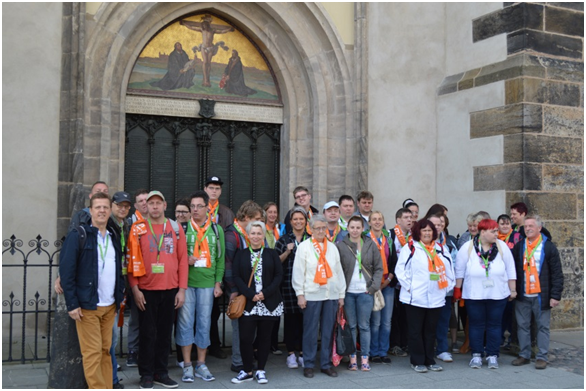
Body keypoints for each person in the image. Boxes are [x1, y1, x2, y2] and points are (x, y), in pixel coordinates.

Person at [59, 192, 124, 389]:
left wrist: (119, 295)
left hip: (109, 305)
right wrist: (72, 304)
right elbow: (67, 272)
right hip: (88, 306)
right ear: (91, 210)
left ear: (110, 210)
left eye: (105, 207)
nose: (102, 211)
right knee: (93, 352)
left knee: (106, 350)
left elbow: (119, 270)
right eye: (98, 207)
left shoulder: (114, 236)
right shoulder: (79, 235)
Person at [127, 191, 188, 389]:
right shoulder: (138, 229)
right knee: (147, 333)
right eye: (151, 203)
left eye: (158, 203)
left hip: (170, 289)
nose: (154, 206)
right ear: (145, 206)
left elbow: (183, 261)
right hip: (146, 289)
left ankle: (161, 372)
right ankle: (145, 373)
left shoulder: (175, 228)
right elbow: (131, 261)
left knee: (164, 333)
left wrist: (182, 290)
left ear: (165, 205)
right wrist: (135, 289)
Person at [454, 219, 517, 370]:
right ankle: (476, 354)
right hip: (474, 294)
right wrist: (457, 289)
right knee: (476, 325)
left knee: (494, 325)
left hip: (497, 294)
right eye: (493, 231)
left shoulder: (502, 247)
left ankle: (492, 355)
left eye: (497, 231)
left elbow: (510, 269)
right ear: (483, 232)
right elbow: (459, 270)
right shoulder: (467, 248)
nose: (497, 233)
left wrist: (512, 289)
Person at [176, 191, 225, 383]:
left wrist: (218, 283)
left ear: (207, 208)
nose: (195, 210)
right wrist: (185, 260)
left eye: (199, 206)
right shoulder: (183, 228)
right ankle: (187, 365)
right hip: (187, 284)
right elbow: (175, 258)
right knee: (186, 323)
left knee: (204, 323)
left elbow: (220, 260)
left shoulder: (216, 229)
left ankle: (201, 364)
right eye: (192, 207)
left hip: (207, 284)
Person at [395, 219, 455, 373]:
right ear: (418, 232)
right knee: (415, 331)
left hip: (436, 298)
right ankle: (417, 361)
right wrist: (410, 288)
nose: (427, 233)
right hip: (415, 298)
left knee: (430, 330)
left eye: (429, 230)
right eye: (424, 230)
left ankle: (430, 359)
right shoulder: (410, 248)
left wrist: (444, 289)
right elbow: (400, 271)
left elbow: (450, 272)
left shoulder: (441, 249)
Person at [292, 215, 346, 379]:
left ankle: (325, 364)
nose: (321, 231)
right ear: (311, 229)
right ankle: (308, 364)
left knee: (328, 330)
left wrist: (341, 295)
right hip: (312, 294)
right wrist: (300, 294)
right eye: (317, 228)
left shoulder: (332, 247)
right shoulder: (304, 247)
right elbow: (298, 272)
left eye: (323, 228)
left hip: (330, 295)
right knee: (310, 331)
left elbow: (338, 272)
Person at [231, 221, 284, 384]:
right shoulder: (241, 254)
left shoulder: (271, 253)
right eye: (253, 233)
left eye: (259, 233)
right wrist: (251, 294)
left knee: (264, 338)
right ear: (248, 235)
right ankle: (247, 370)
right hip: (249, 303)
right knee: (245, 338)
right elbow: (237, 277)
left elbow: (278, 276)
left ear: (263, 235)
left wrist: (264, 294)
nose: (255, 236)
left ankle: (261, 369)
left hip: (269, 303)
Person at [511, 215, 563, 370]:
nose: (527, 229)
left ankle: (541, 357)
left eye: (531, 226)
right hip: (523, 294)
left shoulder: (548, 247)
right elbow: (513, 270)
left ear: (539, 228)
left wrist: (555, 295)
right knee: (523, 326)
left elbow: (557, 273)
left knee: (542, 327)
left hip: (542, 295)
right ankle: (524, 354)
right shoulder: (520, 246)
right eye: (526, 226)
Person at [338, 216, 383, 372]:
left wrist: (372, 288)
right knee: (351, 327)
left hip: (365, 292)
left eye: (358, 227)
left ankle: (364, 358)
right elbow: (338, 270)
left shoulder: (370, 244)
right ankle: (352, 359)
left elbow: (378, 268)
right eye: (352, 227)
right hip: (348, 292)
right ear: (347, 228)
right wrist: (340, 294)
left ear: (363, 228)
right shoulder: (342, 246)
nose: (355, 230)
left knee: (364, 326)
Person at [224, 201, 264, 373]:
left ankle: (245, 358)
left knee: (250, 326)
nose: (259, 223)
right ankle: (238, 361)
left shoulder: (248, 234)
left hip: (252, 288)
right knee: (239, 326)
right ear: (246, 218)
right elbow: (228, 266)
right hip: (238, 289)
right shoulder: (232, 235)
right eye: (256, 219)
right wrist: (233, 289)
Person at [204, 176, 235, 360]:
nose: (214, 191)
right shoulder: (199, 208)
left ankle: (214, 344)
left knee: (215, 310)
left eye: (217, 188)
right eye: (211, 188)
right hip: (202, 265)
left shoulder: (226, 212)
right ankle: (197, 345)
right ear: (205, 189)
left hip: (220, 263)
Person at [275, 207, 308, 370]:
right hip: (288, 285)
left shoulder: (311, 239)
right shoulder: (283, 240)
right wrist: (287, 251)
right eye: (295, 219)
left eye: (301, 218)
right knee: (290, 321)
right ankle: (290, 354)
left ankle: (302, 352)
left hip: (308, 285)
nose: (298, 221)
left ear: (305, 221)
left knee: (305, 320)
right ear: (290, 222)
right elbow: (275, 263)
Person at [367, 211, 398, 364]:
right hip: (373, 285)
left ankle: (383, 351)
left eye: (380, 219)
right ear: (369, 222)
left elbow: (394, 263)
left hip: (387, 285)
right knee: (375, 321)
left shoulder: (389, 240)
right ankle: (373, 352)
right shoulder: (365, 240)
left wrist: (387, 280)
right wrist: (375, 283)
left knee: (387, 321)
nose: (377, 222)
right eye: (374, 219)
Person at [110, 191, 133, 389]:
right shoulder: (108, 225)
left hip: (121, 281)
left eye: (126, 206)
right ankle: (111, 378)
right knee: (109, 335)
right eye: (119, 205)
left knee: (113, 333)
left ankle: (111, 372)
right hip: (109, 283)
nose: (123, 209)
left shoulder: (126, 225)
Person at [428, 215, 457, 364]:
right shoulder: (418, 243)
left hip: (444, 289)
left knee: (443, 321)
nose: (437, 227)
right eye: (434, 225)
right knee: (427, 321)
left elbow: (455, 265)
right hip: (426, 290)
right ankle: (427, 349)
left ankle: (442, 349)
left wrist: (451, 286)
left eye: (440, 224)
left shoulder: (450, 243)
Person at [125, 188, 150, 367]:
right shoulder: (128, 224)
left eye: (146, 200)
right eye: (140, 201)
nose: (143, 203)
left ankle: (148, 350)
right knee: (135, 317)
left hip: (153, 277)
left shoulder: (156, 222)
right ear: (135, 205)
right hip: (135, 276)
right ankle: (133, 351)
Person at [180, 15, 234, 88]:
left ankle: (207, 80)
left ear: (208, 25)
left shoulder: (212, 30)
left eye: (206, 25)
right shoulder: (202, 30)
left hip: (211, 48)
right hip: (204, 47)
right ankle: (205, 80)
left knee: (208, 63)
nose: (204, 26)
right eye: (203, 25)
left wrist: (228, 29)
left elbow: (221, 31)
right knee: (205, 62)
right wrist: (185, 23)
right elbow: (192, 27)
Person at [389, 208, 414, 357]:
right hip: (394, 281)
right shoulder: (391, 234)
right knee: (394, 315)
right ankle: (395, 344)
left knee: (407, 315)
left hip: (409, 283)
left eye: (410, 217)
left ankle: (406, 342)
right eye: (406, 217)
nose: (409, 220)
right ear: (398, 220)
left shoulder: (414, 236)